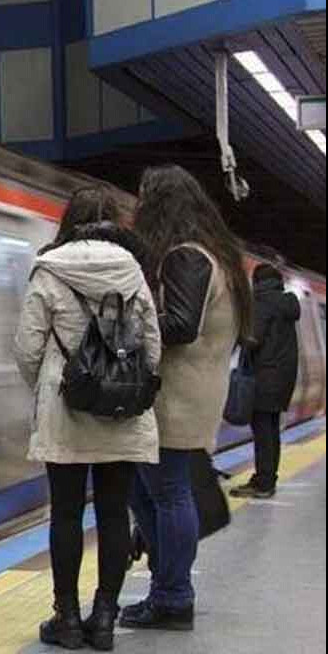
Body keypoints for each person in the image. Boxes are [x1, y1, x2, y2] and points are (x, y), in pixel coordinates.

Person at [14, 187, 162, 651]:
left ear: (69, 221)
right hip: (120, 413)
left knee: (67, 514)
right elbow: (154, 349)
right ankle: (104, 619)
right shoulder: (133, 272)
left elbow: (27, 349)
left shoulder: (49, 270)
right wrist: (123, 380)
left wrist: (53, 383)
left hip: (65, 411)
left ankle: (68, 620)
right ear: (114, 223)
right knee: (115, 513)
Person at [122, 165, 253, 631]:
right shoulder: (218, 256)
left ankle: (174, 596)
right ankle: (167, 587)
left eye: (144, 200)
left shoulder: (187, 256)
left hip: (176, 396)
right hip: (195, 392)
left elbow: (179, 325)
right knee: (148, 490)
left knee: (168, 493)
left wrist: (131, 325)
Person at [231, 264, 300, 498]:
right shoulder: (285, 303)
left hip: (264, 377)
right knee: (270, 430)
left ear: (257, 281)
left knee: (262, 432)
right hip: (282, 379)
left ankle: (263, 483)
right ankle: (268, 479)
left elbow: (252, 339)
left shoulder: (263, 302)